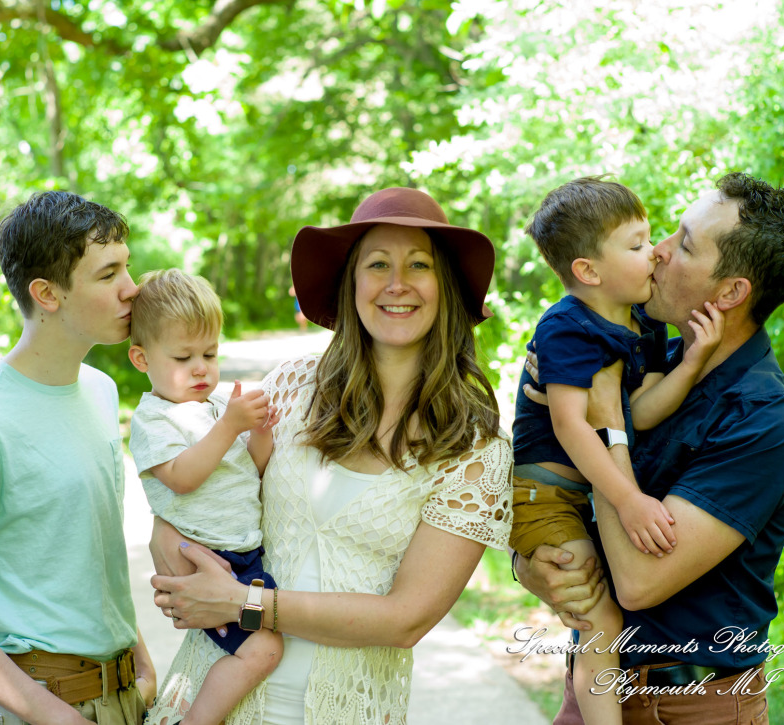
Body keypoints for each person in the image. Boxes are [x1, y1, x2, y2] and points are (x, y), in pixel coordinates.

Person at [145, 187, 514, 725]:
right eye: (378, 264)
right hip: (213, 697)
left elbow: (404, 619)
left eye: (419, 265)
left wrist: (244, 604)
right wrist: (167, 534)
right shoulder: (293, 386)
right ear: (352, 283)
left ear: (447, 286)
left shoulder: (475, 449)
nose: (397, 284)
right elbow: (219, 485)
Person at [515, 172, 784, 724]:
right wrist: (534, 565)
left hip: (694, 708)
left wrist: (606, 419)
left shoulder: (769, 423)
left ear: (730, 292)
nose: (657, 252)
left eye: (683, 243)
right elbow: (553, 477)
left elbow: (638, 581)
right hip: (593, 692)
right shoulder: (651, 357)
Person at [0, 191, 157, 725]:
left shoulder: (99, 392)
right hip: (43, 705)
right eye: (107, 273)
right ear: (47, 294)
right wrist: (57, 717)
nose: (131, 289)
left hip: (120, 693)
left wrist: (135, 653)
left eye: (127, 267)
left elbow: (85, 548)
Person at [509, 177, 723, 724]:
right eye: (635, 244)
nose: (654, 252)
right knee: (599, 621)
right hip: (548, 493)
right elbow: (573, 425)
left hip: (588, 491)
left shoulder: (641, 322)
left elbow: (640, 411)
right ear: (588, 271)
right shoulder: (566, 327)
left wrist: (692, 362)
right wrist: (628, 499)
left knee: (605, 618)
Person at [127, 269, 282, 725]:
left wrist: (259, 435)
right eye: (183, 356)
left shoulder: (214, 407)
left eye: (210, 353)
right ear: (141, 358)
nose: (201, 368)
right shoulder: (154, 419)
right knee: (266, 646)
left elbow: (246, 472)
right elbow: (181, 477)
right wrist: (229, 426)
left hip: (244, 554)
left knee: (275, 634)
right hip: (211, 558)